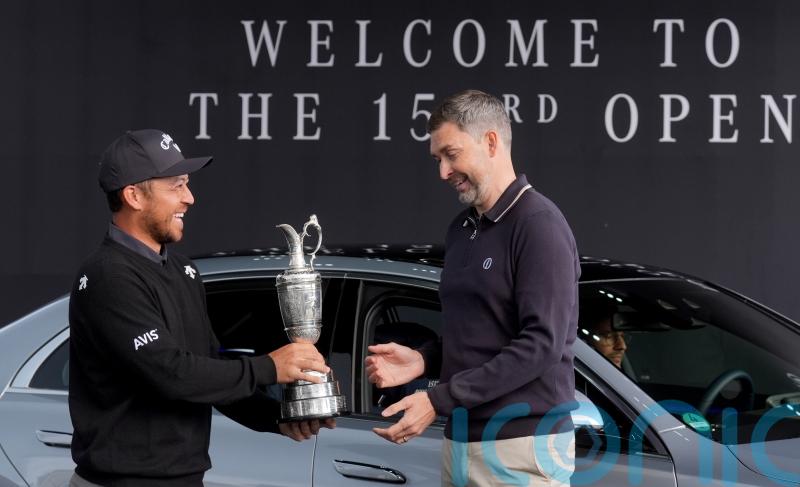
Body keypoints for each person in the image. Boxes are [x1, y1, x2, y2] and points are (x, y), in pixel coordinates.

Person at [68, 129, 333, 487]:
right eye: (176, 185)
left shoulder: (183, 270)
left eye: (187, 184)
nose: (189, 198)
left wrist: (277, 417)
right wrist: (269, 367)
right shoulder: (108, 276)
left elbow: (207, 370)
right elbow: (170, 373)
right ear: (134, 195)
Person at [365, 90, 580, 486]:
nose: (443, 172)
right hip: (461, 440)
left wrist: (437, 399)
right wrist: (424, 360)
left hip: (521, 446)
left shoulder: (539, 226)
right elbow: (482, 332)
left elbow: (541, 345)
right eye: (437, 159)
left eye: (451, 154)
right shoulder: (462, 230)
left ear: (491, 142)